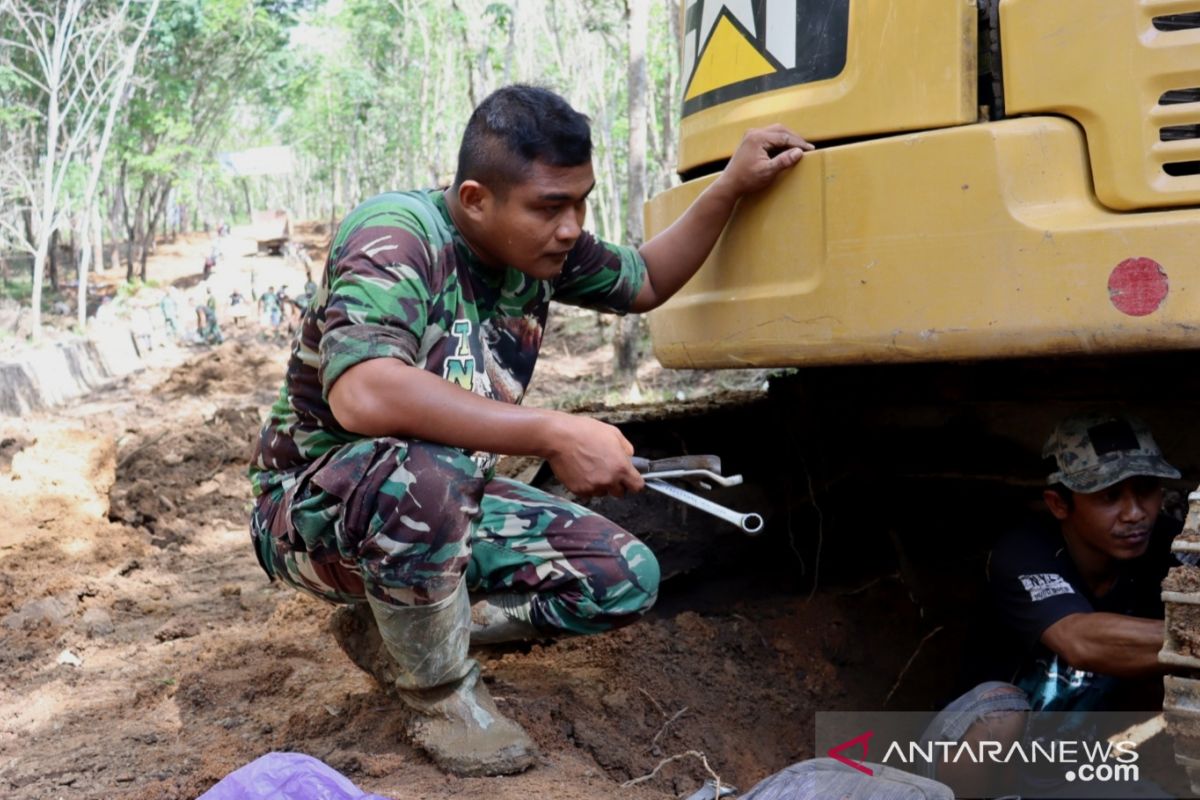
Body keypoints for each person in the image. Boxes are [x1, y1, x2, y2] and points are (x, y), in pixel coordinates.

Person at [247, 84, 812, 777]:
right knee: (429, 474)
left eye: (581, 202)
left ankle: (406, 629)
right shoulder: (396, 234)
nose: (571, 227)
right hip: (314, 510)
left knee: (623, 577)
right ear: (477, 198)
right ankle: (439, 695)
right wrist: (552, 432)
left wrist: (729, 186)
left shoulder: (542, 246)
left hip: (442, 502)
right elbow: (362, 392)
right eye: (550, 206)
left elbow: (645, 280)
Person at [924, 411, 1184, 797]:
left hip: (1077, 766)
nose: (1135, 513)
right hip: (975, 757)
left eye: (1146, 489)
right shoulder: (1024, 551)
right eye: (1109, 496)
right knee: (1000, 707)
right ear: (1059, 503)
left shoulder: (1166, 545)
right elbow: (1079, 640)